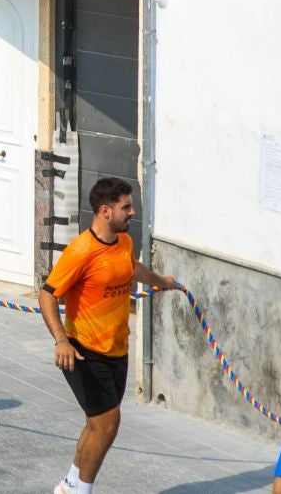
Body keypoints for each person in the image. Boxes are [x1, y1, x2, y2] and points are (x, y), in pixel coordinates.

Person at [39, 178, 178, 494]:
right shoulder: (81, 251)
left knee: (96, 423)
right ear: (105, 211)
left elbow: (131, 268)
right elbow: (47, 294)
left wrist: (160, 281)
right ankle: (81, 490)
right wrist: (61, 340)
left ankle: (69, 485)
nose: (132, 212)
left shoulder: (123, 243)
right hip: (83, 350)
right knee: (107, 424)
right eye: (125, 207)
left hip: (117, 351)